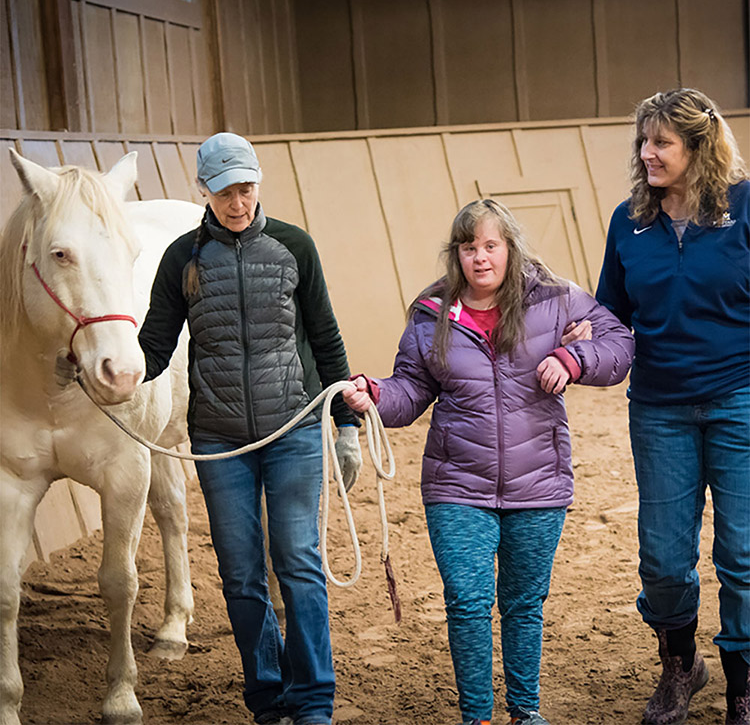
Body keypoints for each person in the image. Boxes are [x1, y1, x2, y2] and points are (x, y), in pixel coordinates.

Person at [342, 199, 635, 725]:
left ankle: (526, 712)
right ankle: (476, 716)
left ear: (509, 249)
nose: (480, 257)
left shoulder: (556, 299)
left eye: (491, 245)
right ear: (456, 254)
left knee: (523, 605)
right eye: (469, 246)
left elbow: (619, 345)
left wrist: (575, 358)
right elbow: (410, 390)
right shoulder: (432, 314)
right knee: (468, 602)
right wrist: (376, 395)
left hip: (539, 482)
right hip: (457, 485)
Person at [138, 132, 362, 725]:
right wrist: (100, 368)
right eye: (225, 192)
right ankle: (267, 697)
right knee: (240, 575)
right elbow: (153, 350)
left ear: (257, 183)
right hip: (217, 441)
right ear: (205, 191)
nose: (238, 202)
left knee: (298, 563)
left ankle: (313, 701)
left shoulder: (294, 247)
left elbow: (325, 335)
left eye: (246, 188)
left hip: (292, 430)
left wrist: (345, 427)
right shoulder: (181, 259)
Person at [595, 88, 750, 725]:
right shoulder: (627, 222)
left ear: (698, 146)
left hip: (740, 401)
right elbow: (610, 313)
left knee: (742, 555)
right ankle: (680, 667)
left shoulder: (744, 208)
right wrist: (576, 335)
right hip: (658, 409)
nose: (646, 153)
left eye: (661, 142)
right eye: (643, 141)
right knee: (663, 559)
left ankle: (742, 684)